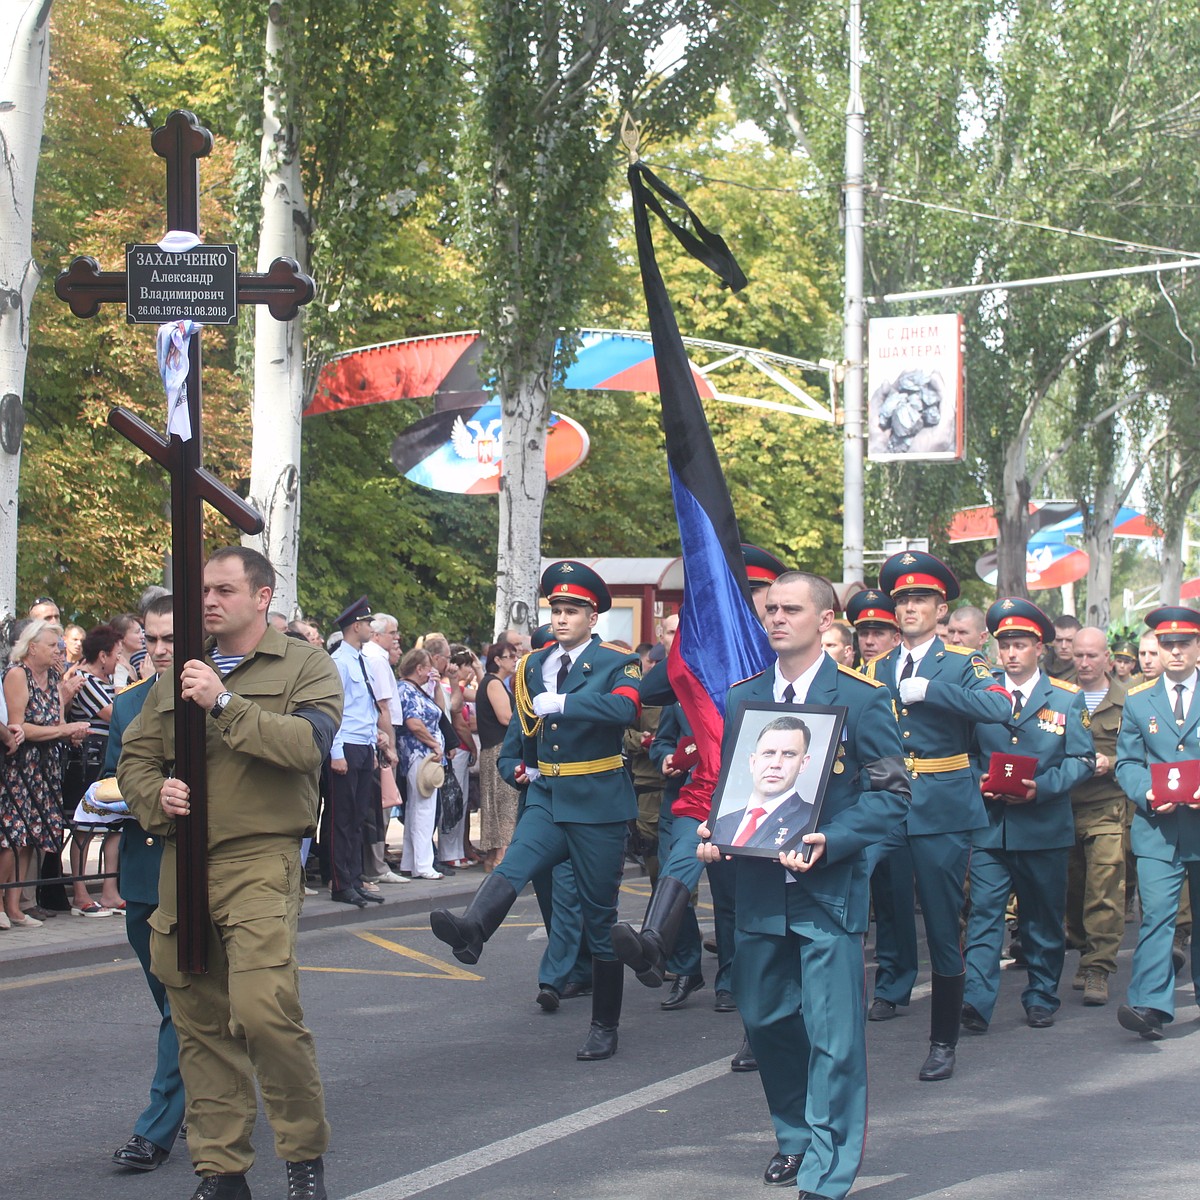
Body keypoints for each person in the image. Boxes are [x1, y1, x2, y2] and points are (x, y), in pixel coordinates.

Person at [117, 546, 343, 1200]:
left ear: (262, 596)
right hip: (181, 860)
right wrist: (154, 796)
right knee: (200, 1022)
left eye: (223, 589)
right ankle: (222, 1170)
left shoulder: (304, 664)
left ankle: (303, 1156)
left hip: (259, 856)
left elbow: (307, 747)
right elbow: (136, 760)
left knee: (264, 1011)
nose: (209, 601)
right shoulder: (177, 674)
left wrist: (223, 705)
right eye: (203, 590)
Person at [698, 570, 910, 1197]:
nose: (776, 619)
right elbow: (736, 785)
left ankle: (827, 1167)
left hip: (827, 890)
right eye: (770, 611)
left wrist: (833, 838)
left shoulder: (862, 697)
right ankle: (793, 1133)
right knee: (764, 1018)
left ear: (825, 620)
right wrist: (715, 830)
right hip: (759, 889)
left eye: (791, 609)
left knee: (834, 1035)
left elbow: (893, 796)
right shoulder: (746, 697)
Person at [430, 561, 641, 1061]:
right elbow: (523, 737)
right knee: (515, 863)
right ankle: (472, 930)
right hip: (546, 797)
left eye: (572, 611)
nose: (562, 618)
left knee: (599, 915)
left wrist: (567, 706)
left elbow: (626, 710)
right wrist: (514, 770)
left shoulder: (616, 663)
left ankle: (605, 1024)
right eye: (557, 609)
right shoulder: (531, 666)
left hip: (597, 801)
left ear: (593, 617)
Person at [862, 550, 1011, 1080]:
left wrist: (934, 691)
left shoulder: (960, 663)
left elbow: (1000, 708)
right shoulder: (874, 667)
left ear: (940, 607)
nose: (908, 608)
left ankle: (943, 1038)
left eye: (919, 599)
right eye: (901, 598)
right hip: (883, 802)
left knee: (944, 924)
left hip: (941, 806)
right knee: (855, 899)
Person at [960, 599, 1094, 1034]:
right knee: (983, 916)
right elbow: (965, 752)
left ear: (1041, 648)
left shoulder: (1066, 698)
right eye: (1005, 645)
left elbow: (1082, 759)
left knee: (1042, 918)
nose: (1011, 654)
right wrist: (978, 778)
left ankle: (1040, 995)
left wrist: (1045, 787)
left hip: (1043, 826)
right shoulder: (982, 696)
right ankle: (976, 1002)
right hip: (991, 827)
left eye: (1020, 645)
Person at [106, 594, 186, 1172]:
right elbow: (114, 781)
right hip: (142, 869)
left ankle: (156, 1127)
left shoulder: (212, 700)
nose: (156, 651)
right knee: (170, 1001)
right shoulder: (128, 705)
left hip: (194, 872)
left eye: (169, 640)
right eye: (149, 640)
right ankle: (212, 1091)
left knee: (181, 1005)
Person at [1114, 606, 1200, 1041]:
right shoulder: (1138, 699)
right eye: (1168, 644)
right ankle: (1149, 1003)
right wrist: (1145, 791)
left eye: (1185, 642)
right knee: (1157, 917)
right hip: (1157, 825)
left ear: (1198, 647)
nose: (1176, 651)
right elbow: (1127, 762)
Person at [1, 619, 89, 929]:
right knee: (13, 836)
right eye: (52, 645)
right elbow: (18, 726)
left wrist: (70, 734)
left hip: (47, 767)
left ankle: (15, 906)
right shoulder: (16, 674)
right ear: (32, 646)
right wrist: (63, 730)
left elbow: (56, 722)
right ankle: (1, 903)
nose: (58, 651)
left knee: (31, 839)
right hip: (20, 768)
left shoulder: (53, 678)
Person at [1065, 626, 1127, 1006]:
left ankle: (1097, 968)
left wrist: (1114, 762)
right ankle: (1083, 949)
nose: (1085, 663)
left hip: (1107, 806)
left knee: (1104, 890)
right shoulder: (1058, 695)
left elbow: (1145, 752)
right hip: (1063, 807)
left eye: (1092, 656)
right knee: (1073, 891)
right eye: (1078, 655)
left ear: (1107, 658)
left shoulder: (1129, 701)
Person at [327, 597, 392, 907]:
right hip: (347, 746)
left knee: (357, 818)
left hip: (363, 745)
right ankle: (340, 883)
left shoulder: (360, 659)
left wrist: (376, 740)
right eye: (367, 623)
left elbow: (362, 707)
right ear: (356, 626)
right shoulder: (339, 662)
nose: (370, 628)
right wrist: (336, 751)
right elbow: (334, 710)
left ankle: (354, 879)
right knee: (342, 818)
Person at [63, 622, 124, 915]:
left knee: (114, 824)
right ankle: (80, 892)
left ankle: (110, 892)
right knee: (84, 827)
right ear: (102, 655)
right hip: (87, 763)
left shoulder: (105, 683)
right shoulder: (86, 682)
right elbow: (117, 716)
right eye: (116, 655)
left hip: (106, 761)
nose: (118, 661)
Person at [710, 716, 817, 849]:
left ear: (803, 763)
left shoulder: (811, 821)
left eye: (789, 754)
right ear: (753, 762)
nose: (776, 764)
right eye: (768, 753)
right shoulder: (721, 824)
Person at [396, 648, 447, 880]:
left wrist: (435, 686)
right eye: (428, 667)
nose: (432, 671)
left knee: (417, 808)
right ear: (419, 669)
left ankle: (411, 861)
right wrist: (434, 745)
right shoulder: (406, 690)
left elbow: (440, 712)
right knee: (424, 809)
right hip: (420, 754)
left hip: (424, 754)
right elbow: (414, 723)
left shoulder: (419, 690)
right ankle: (424, 864)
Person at [476, 640, 520, 870]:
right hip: (499, 749)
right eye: (510, 656)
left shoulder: (493, 683)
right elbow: (506, 718)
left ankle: (493, 856)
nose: (514, 660)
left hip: (492, 748)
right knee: (504, 802)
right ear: (497, 660)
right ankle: (501, 857)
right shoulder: (494, 684)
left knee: (495, 801)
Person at [845, 589, 900, 667]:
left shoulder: (902, 677)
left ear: (895, 639)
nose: (869, 641)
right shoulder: (848, 678)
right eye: (864, 634)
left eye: (878, 634)